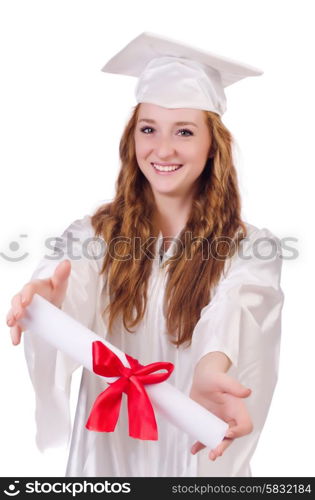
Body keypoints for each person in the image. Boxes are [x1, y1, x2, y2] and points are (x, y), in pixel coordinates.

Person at [6, 33, 284, 477]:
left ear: (213, 146)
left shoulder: (250, 248)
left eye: (185, 132)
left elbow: (238, 306)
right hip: (111, 451)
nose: (163, 149)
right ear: (131, 138)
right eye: (148, 129)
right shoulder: (95, 235)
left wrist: (212, 367)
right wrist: (47, 298)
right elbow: (71, 276)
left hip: (192, 440)